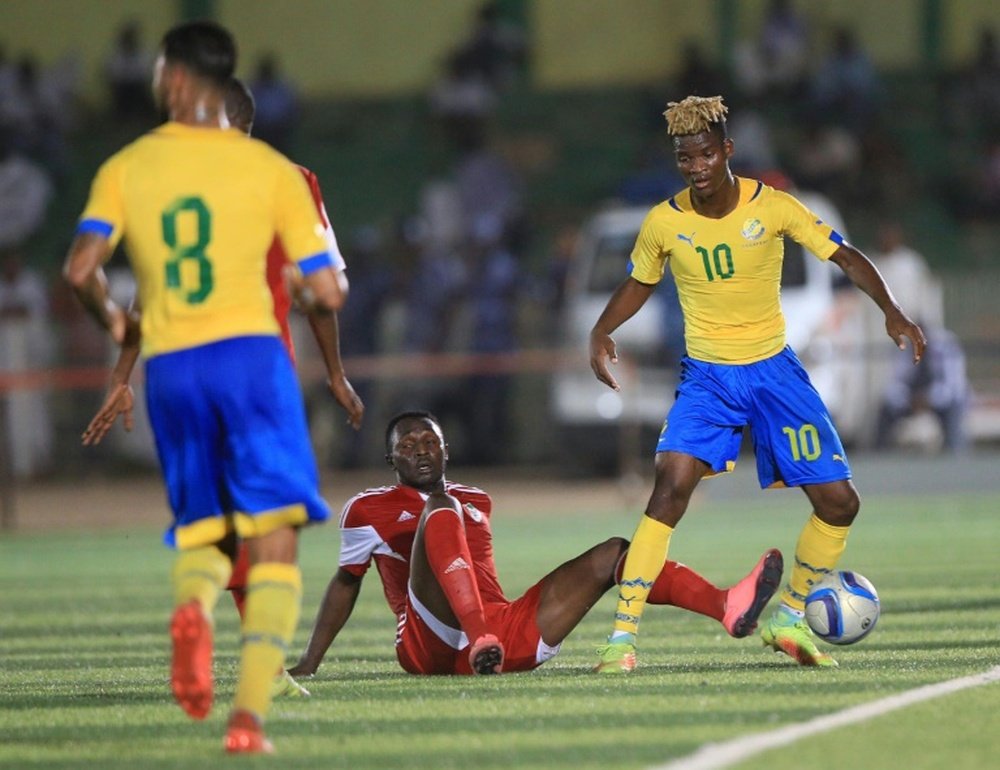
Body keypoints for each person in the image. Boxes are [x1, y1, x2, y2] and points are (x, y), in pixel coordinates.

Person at [62, 21, 347, 754]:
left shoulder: (128, 165)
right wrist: (309, 301)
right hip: (253, 361)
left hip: (173, 369)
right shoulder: (277, 174)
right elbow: (329, 290)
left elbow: (80, 273)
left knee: (204, 529)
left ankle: (193, 604)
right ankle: (249, 718)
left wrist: (121, 343)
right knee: (273, 535)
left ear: (171, 81)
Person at [588, 95, 925, 673]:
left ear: (727, 151)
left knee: (840, 502)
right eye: (684, 158)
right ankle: (621, 640)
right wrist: (601, 329)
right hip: (707, 379)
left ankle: (790, 613)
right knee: (668, 489)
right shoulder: (664, 221)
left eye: (704, 154)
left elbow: (842, 255)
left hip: (773, 372)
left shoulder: (773, 206)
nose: (695, 167)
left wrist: (891, 310)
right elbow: (640, 282)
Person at [288, 411, 783, 678]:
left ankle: (726, 605)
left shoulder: (476, 497)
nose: (421, 450)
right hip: (429, 643)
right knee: (441, 509)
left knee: (613, 552)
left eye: (430, 442)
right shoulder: (366, 508)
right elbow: (346, 581)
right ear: (389, 458)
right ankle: (481, 636)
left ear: (447, 449)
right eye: (408, 445)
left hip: (500, 630)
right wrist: (311, 660)